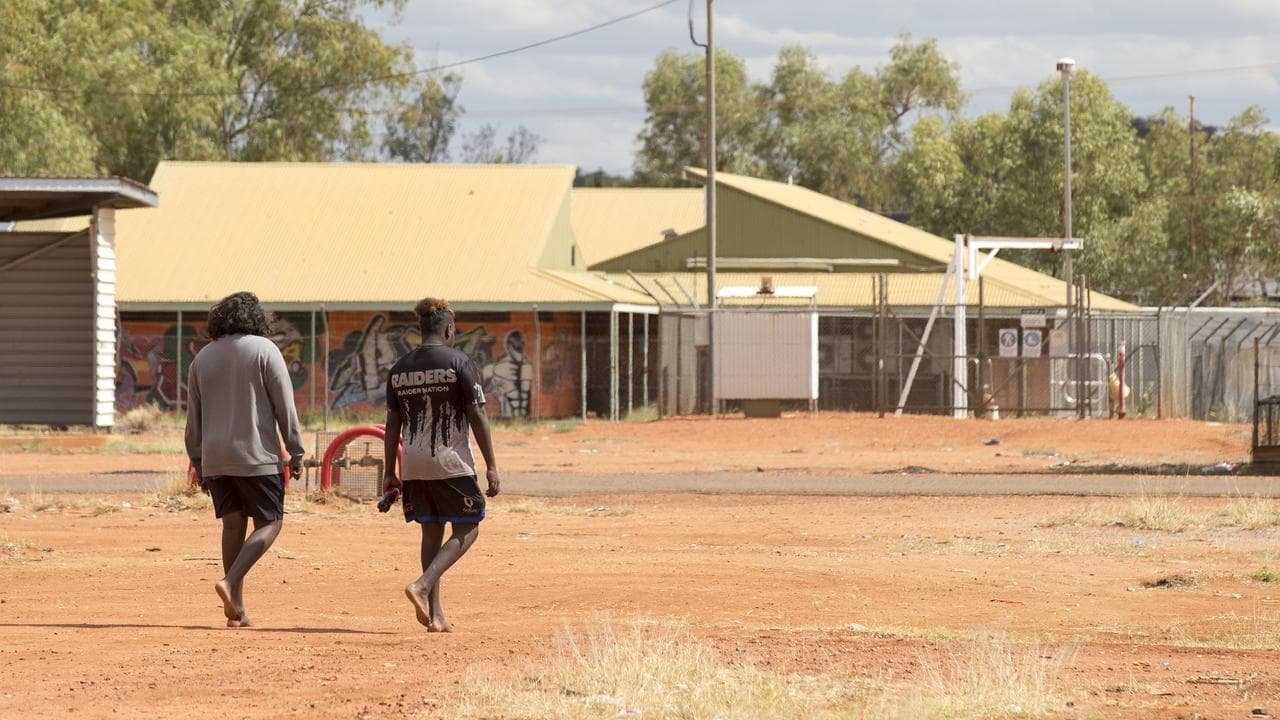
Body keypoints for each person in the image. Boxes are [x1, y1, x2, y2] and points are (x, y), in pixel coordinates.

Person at [185, 291, 305, 628]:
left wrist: (198, 460)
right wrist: (295, 449)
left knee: (232, 525)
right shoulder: (265, 350)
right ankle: (229, 582)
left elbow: (193, 417)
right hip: (256, 455)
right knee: (270, 522)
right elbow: (284, 405)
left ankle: (235, 610)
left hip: (215, 456)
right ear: (256, 319)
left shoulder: (202, 358)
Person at [383, 297, 500, 632]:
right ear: (449, 328)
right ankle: (421, 586)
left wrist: (390, 471)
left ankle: (435, 616)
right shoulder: (459, 362)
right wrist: (492, 465)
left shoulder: (399, 368)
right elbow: (477, 414)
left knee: (431, 530)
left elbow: (392, 425)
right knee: (469, 526)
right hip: (451, 462)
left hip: (413, 464)